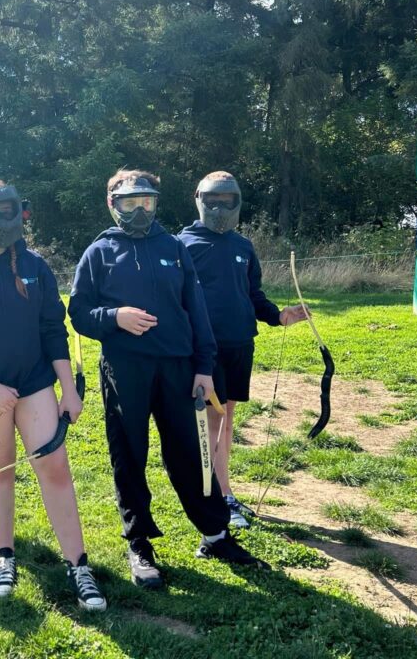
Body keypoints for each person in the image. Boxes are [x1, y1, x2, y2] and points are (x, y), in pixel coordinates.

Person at [68, 169, 270, 590]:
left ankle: (215, 534)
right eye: (130, 203)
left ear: (157, 203)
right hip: (125, 371)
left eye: (147, 203)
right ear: (113, 204)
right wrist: (115, 317)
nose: (140, 211)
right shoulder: (100, 252)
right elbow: (79, 312)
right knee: (130, 455)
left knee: (192, 455)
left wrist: (203, 366)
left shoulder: (174, 248)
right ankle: (139, 543)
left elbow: (196, 311)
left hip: (179, 368)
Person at [0, 179, 106, 610]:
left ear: (18, 212)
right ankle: (4, 556)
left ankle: (78, 565)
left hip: (33, 382)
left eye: (4, 211)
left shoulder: (35, 266)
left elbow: (52, 329)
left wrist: (68, 389)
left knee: (56, 467)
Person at [178, 171, 307, 528]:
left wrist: (279, 317)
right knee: (207, 423)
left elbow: (253, 296)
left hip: (240, 345)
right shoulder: (182, 245)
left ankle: (225, 493)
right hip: (204, 352)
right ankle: (210, 500)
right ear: (199, 199)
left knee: (226, 419)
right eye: (212, 201)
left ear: (237, 203)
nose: (219, 208)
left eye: (227, 202)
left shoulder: (242, 246)